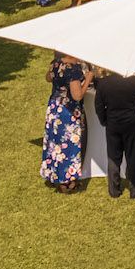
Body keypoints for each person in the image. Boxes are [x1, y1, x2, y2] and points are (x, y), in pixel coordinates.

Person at [40, 53, 93, 192]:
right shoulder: (73, 70)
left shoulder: (56, 63)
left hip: (54, 108)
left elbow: (48, 78)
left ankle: (54, 174)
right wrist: (88, 79)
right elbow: (77, 95)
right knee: (68, 146)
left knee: (54, 143)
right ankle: (67, 181)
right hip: (67, 112)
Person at [95, 68, 135, 198]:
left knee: (113, 157)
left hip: (113, 124)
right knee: (133, 155)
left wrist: (104, 121)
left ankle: (114, 190)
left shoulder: (103, 83)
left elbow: (99, 106)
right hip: (131, 124)